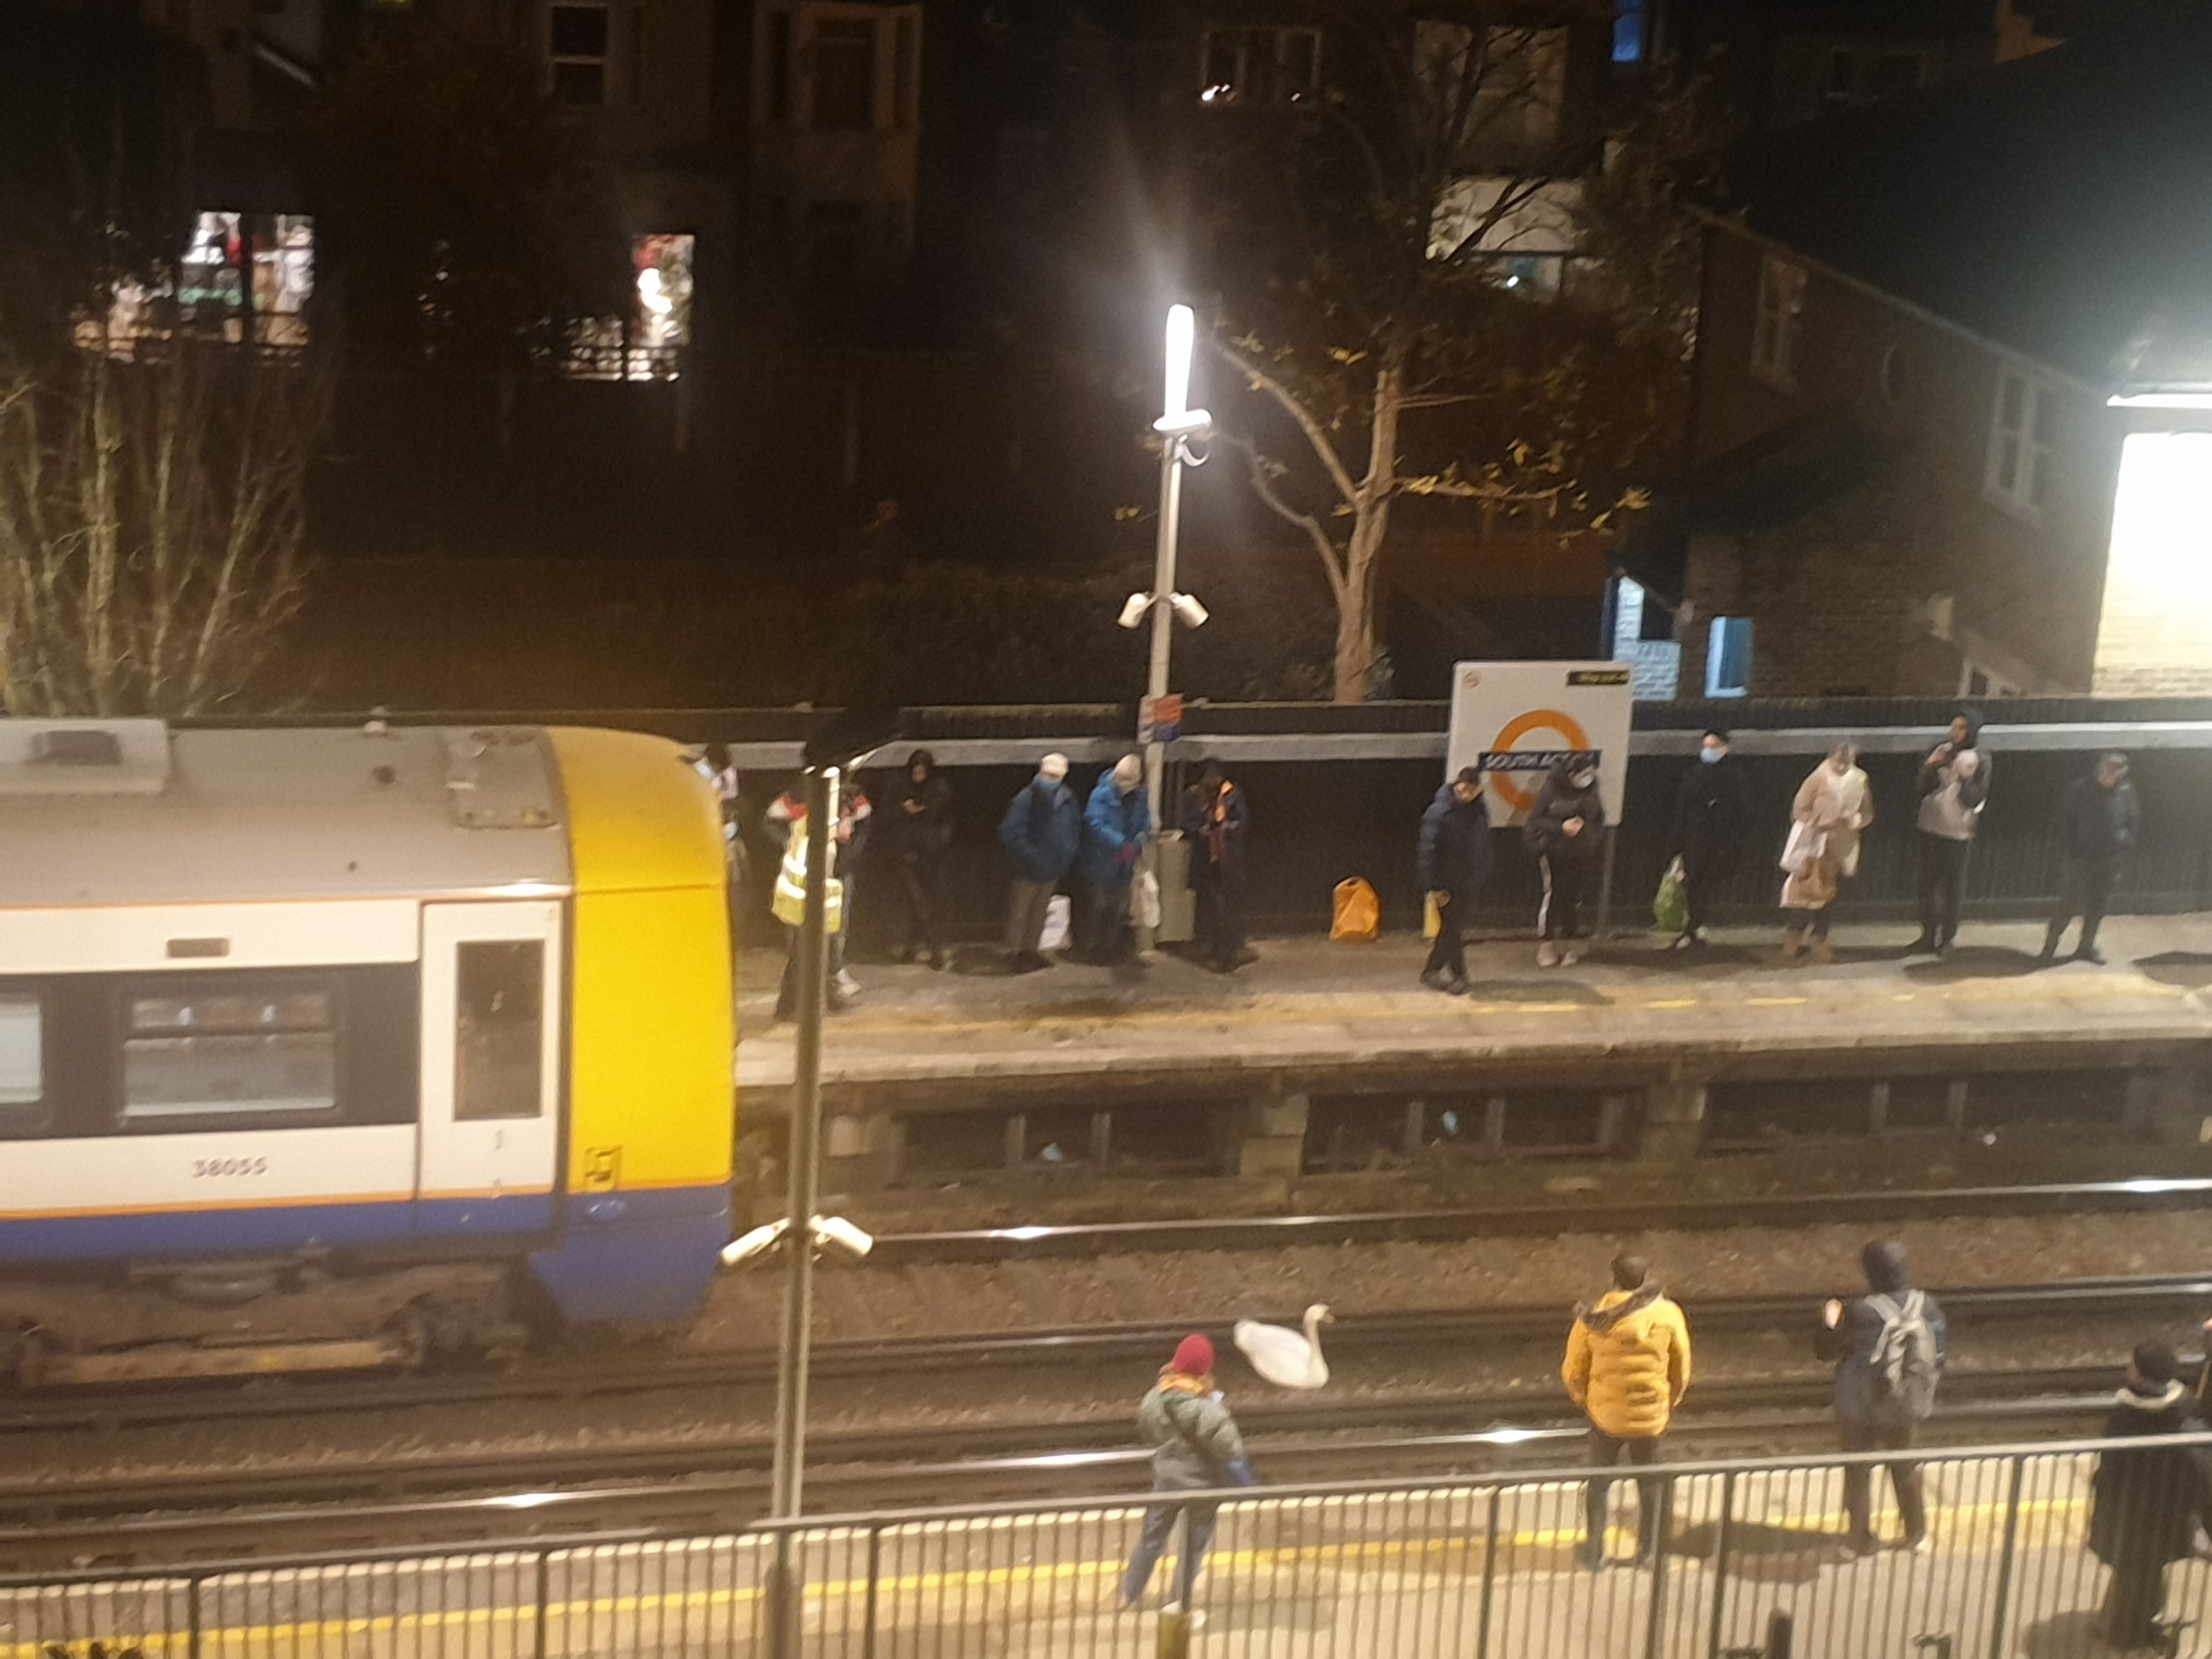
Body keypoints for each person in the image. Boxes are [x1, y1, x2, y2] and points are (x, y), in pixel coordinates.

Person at [1815, 1240, 1946, 1555]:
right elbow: (1939, 1352)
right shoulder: (1927, 1306)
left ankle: (1860, 1540)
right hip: (1903, 1403)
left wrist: (1830, 1321)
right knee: (1904, 1465)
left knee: (1858, 1471)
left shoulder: (1862, 1312)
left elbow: (1824, 1351)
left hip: (1858, 1405)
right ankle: (1917, 1533)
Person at [1561, 1252, 1691, 1568]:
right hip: (1651, 1420)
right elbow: (1682, 1368)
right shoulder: (1668, 1314)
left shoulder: (1594, 1317)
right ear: (1646, 1278)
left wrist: (1588, 1402)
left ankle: (1595, 1553)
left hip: (1606, 1418)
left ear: (1614, 1279)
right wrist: (1667, 1403)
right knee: (1650, 1484)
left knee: (1598, 1483)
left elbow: (1572, 1371)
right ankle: (1649, 1553)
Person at [2089, 1341, 2212, 1652]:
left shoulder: (2124, 1414)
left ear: (2140, 1375)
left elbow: (2112, 1463)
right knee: (2150, 1571)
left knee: (2133, 1573)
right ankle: (2140, 1627)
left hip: (2130, 1511)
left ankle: (2127, 1634)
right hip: (2168, 1509)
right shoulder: (2182, 1409)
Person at [1121, 1333, 1257, 1613]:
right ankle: (1178, 1603)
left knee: (1152, 1537)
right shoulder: (1208, 1409)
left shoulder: (1155, 1398)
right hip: (1202, 1488)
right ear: (1206, 1369)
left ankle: (1129, 1593)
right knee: (1192, 1548)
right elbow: (1230, 1448)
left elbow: (1150, 1431)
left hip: (1167, 1480)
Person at [2042, 752, 2138, 967]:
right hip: (2081, 859)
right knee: (2067, 906)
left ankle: (2086, 946)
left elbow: (2133, 819)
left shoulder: (2126, 791)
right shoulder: (2080, 790)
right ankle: (2050, 946)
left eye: (2117, 773)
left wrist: (2124, 844)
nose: (2111, 777)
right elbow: (2064, 822)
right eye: (2108, 771)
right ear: (2101, 769)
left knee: (2098, 906)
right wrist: (2073, 851)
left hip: (2109, 860)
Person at [1781, 743, 1874, 963]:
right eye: (1839, 761)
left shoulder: (1860, 779)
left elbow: (1867, 812)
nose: (1842, 765)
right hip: (1813, 843)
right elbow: (1799, 808)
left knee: (1829, 892)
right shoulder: (1818, 777)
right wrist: (1819, 822)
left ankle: (1819, 937)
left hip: (1839, 842)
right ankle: (1794, 934)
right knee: (1804, 890)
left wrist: (1853, 820)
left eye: (1848, 761)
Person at [767, 787, 853, 1021]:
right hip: (802, 905)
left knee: (809, 955)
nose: (849, 825)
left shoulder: (812, 829)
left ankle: (797, 1005)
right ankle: (789, 1007)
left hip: (801, 904)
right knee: (803, 956)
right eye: (845, 818)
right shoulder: (816, 837)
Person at [1910, 710, 1990, 957]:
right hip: (1930, 827)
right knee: (1926, 886)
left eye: (1962, 728)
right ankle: (1927, 935)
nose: (1955, 732)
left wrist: (1966, 779)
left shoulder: (1981, 759)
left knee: (1953, 889)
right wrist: (1931, 766)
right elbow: (1921, 788)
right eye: (1954, 726)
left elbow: (1976, 798)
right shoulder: (1940, 749)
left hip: (1958, 833)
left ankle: (1948, 939)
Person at [998, 753, 1081, 971]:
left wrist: (1066, 855)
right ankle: (1014, 954)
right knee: (1020, 913)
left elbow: (1073, 828)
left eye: (1055, 775)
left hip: (1052, 868)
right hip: (1027, 869)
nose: (1051, 779)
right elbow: (1012, 833)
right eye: (1048, 774)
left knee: (1039, 913)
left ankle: (1031, 951)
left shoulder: (1067, 799)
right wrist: (1034, 858)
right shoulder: (1026, 798)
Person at [1670, 729, 1750, 949]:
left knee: (1707, 883)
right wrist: (1678, 843)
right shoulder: (1694, 773)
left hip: (1720, 842)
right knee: (1692, 882)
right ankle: (1694, 926)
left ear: (1726, 748)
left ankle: (1695, 926)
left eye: (1713, 746)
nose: (1708, 751)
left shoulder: (1735, 775)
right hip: (1694, 840)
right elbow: (1682, 809)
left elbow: (1741, 811)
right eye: (1706, 746)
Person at [1417, 766, 1493, 995]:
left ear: (1479, 790)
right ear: (1456, 786)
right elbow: (1427, 852)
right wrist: (1434, 887)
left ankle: (1431, 970)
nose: (1466, 795)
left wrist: (1480, 875)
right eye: (1462, 790)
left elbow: (1482, 848)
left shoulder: (1479, 813)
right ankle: (1460, 975)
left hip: (1467, 881)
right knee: (1452, 930)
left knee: (1452, 929)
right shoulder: (1439, 813)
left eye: (1471, 791)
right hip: (1446, 882)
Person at [1525, 756, 1606, 968]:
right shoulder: (1552, 788)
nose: (1587, 778)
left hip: (1580, 852)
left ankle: (1572, 944)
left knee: (1574, 898)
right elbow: (1536, 821)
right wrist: (1561, 827)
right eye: (1583, 775)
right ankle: (1547, 944)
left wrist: (1588, 834)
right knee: (1553, 895)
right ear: (1571, 775)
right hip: (1554, 851)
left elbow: (1599, 819)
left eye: (1590, 774)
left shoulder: (1591, 790)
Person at [881, 749, 953, 969]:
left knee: (923, 904)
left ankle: (918, 948)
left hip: (931, 856)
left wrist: (921, 812)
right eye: (916, 770)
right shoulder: (900, 789)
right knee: (918, 902)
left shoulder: (938, 791)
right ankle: (933, 948)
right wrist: (904, 811)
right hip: (906, 855)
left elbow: (941, 819)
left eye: (922, 771)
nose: (918, 775)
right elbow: (886, 817)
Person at [1082, 754, 1153, 965]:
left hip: (1125, 860)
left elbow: (1145, 822)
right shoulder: (1101, 794)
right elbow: (1095, 823)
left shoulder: (1140, 796)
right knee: (1099, 905)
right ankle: (1092, 947)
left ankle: (1110, 947)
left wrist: (1140, 840)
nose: (1123, 785)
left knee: (1120, 907)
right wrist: (1121, 842)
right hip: (1103, 859)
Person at [1183, 763, 1251, 973]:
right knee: (1209, 905)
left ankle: (1227, 953)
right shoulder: (1195, 797)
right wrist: (1200, 830)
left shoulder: (1232, 795)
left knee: (1226, 908)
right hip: (1206, 859)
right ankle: (1211, 945)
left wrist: (1226, 828)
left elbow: (1242, 823)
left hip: (1228, 859)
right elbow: (1186, 822)